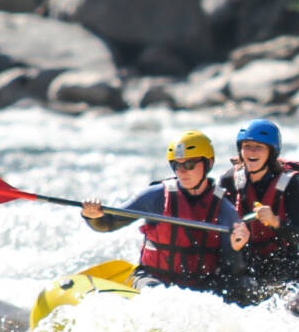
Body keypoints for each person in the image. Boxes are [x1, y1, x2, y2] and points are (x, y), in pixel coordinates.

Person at [81, 129, 252, 301]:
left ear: (208, 163)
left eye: (189, 165)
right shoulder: (155, 196)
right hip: (151, 278)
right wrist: (92, 216)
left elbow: (231, 268)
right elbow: (108, 224)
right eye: (177, 165)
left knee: (236, 287)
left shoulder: (224, 209)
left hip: (198, 284)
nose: (182, 171)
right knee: (157, 294)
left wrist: (236, 249)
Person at [218, 118, 299, 289]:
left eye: (259, 147)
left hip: (283, 260)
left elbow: (297, 236)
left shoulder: (290, 182)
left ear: (271, 152)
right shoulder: (228, 180)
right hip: (246, 262)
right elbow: (213, 220)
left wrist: (275, 222)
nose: (252, 152)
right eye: (247, 146)